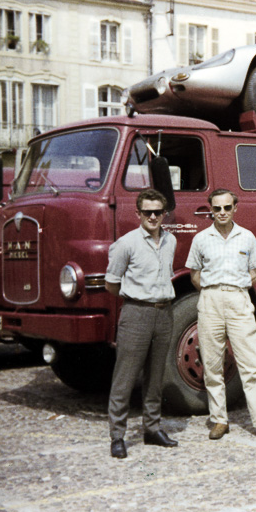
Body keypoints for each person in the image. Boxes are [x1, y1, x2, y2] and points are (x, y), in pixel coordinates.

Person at [186, 189, 256, 440]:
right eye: (217, 208)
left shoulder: (247, 237)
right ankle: (219, 420)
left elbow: (255, 273)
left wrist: (234, 288)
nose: (222, 212)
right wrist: (214, 290)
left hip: (239, 300)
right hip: (210, 300)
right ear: (211, 209)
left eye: (227, 208)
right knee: (211, 364)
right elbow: (194, 275)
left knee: (252, 363)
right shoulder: (201, 239)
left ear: (235, 208)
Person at [105, 189, 178, 459]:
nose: (152, 216)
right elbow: (111, 284)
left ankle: (152, 428)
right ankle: (117, 436)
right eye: (147, 211)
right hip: (136, 313)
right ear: (138, 214)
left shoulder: (170, 241)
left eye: (158, 211)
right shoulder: (126, 243)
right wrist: (136, 299)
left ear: (164, 214)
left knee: (156, 375)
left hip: (164, 313)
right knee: (125, 376)